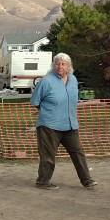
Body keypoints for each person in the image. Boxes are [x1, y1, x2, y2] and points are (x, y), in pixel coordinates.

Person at [30, 52, 97, 190]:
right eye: (57, 64)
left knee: (78, 152)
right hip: (49, 125)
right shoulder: (46, 81)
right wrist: (48, 112)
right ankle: (43, 181)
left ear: (69, 66)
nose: (60, 66)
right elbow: (35, 101)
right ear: (53, 66)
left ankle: (87, 180)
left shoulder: (73, 80)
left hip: (70, 124)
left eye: (63, 64)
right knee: (48, 156)